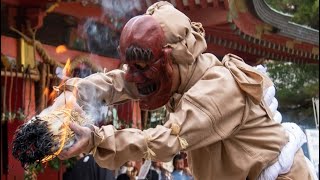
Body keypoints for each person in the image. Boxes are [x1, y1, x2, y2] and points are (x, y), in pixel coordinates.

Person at [55, 1, 314, 179]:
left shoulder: (218, 89)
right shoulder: (180, 75)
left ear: (173, 57)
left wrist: (95, 140)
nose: (135, 76)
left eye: (143, 67)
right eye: (131, 66)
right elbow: (123, 81)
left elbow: (164, 140)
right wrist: (76, 91)